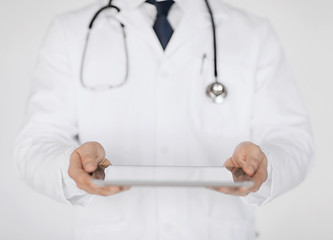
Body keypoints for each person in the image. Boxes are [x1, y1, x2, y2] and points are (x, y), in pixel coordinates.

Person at [14, 0, 314, 239]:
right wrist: (69, 165)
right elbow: (37, 142)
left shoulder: (252, 32)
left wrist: (266, 165)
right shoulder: (71, 31)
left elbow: (292, 138)